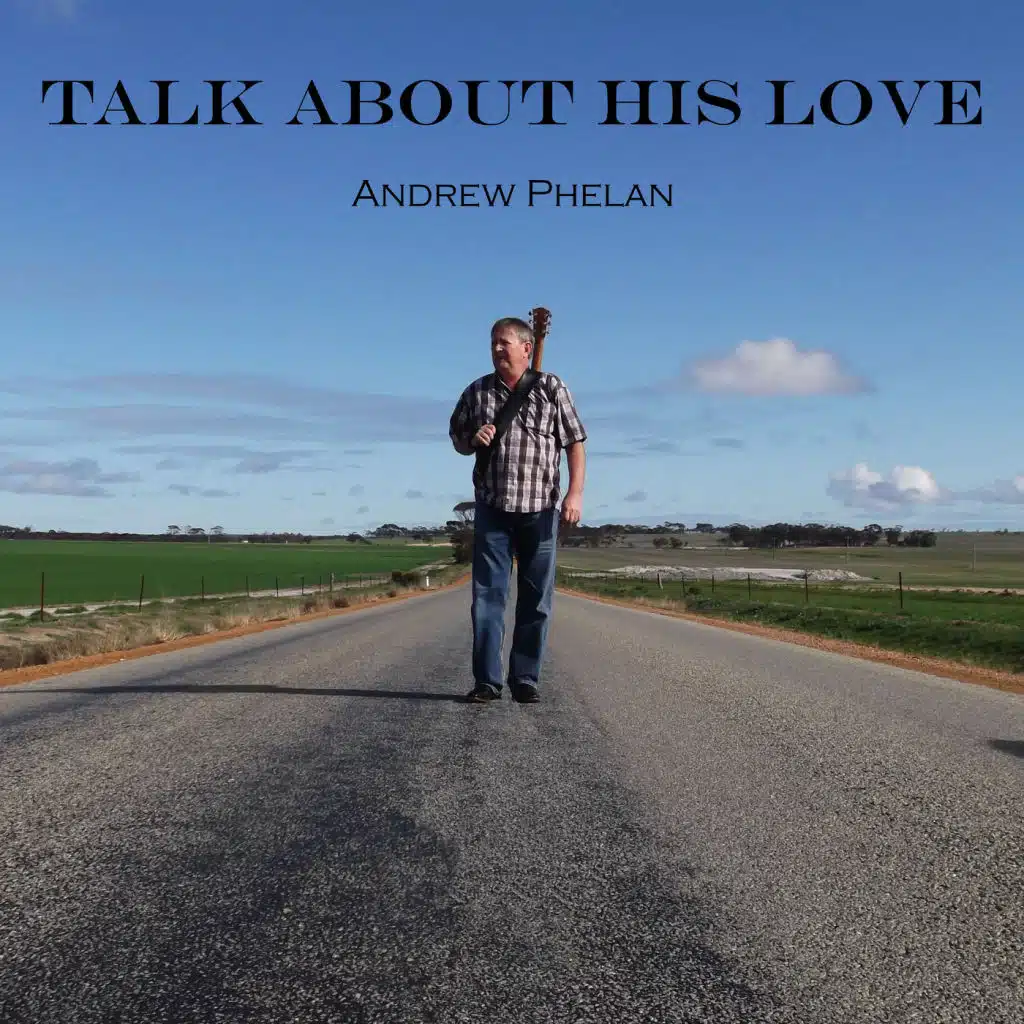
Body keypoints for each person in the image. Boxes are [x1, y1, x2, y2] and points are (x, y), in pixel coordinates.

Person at [448, 316, 587, 704]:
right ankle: (487, 682)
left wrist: (574, 494)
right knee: (487, 599)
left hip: (540, 510)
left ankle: (525, 678)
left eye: (504, 342)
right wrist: (473, 438)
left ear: (527, 347)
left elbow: (575, 443)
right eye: (493, 342)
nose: (496, 349)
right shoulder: (477, 392)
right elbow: (457, 439)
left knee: (535, 599)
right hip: (493, 509)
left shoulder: (552, 388)